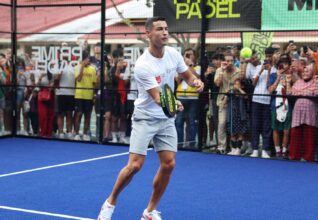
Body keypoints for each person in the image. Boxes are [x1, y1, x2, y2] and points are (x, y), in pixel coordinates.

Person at [98, 16, 204, 220]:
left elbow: (188, 75)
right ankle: (110, 202)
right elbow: (157, 97)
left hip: (165, 120)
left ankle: (149, 211)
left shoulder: (173, 54)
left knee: (169, 164)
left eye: (166, 28)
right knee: (134, 166)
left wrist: (196, 82)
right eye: (159, 29)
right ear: (148, 34)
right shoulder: (142, 65)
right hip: (145, 117)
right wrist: (175, 104)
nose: (165, 32)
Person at [214, 52, 241, 154]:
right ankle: (221, 147)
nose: (229, 63)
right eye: (227, 61)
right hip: (223, 101)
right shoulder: (219, 70)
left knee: (234, 124)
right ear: (223, 62)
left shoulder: (238, 71)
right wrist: (222, 70)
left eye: (231, 61)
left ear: (234, 61)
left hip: (235, 101)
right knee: (222, 123)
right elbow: (217, 84)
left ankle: (234, 147)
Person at [73, 51, 97, 141]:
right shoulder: (77, 67)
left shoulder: (92, 69)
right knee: (78, 114)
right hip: (79, 95)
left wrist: (94, 95)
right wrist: (82, 67)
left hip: (89, 96)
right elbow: (78, 79)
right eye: (87, 59)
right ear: (83, 60)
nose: (88, 60)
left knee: (88, 115)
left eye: (88, 59)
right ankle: (76, 133)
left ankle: (85, 133)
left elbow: (94, 83)